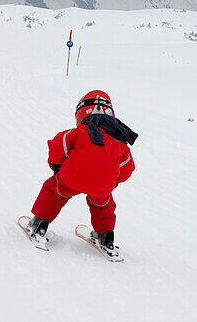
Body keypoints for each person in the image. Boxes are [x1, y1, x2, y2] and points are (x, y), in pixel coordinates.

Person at [25, 90, 138, 254]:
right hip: (102, 186)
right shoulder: (119, 142)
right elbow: (127, 167)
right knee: (104, 205)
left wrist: (56, 165)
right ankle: (105, 236)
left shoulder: (78, 132)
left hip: (71, 177)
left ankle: (39, 225)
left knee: (53, 191)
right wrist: (113, 181)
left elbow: (59, 145)